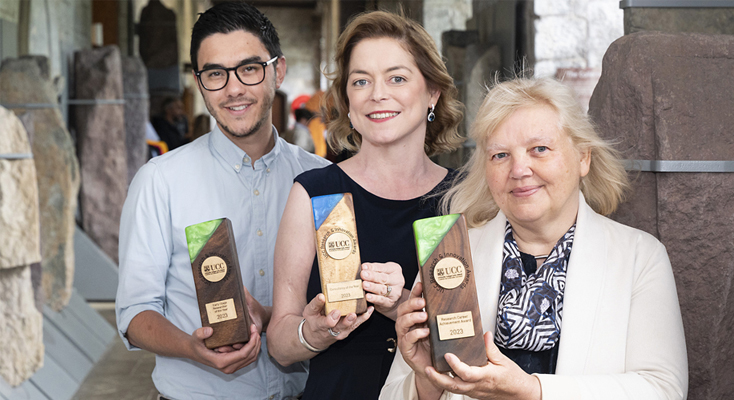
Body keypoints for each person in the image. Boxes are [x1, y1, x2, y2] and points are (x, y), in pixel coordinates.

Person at [381, 78, 689, 400]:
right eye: (500, 155)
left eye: (539, 149)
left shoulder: (640, 257)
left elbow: (663, 389)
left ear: (583, 157)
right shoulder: (448, 256)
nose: (519, 169)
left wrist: (532, 391)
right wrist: (428, 379)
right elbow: (391, 395)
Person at [115, 3, 328, 399]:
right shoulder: (160, 181)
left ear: (277, 71)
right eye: (215, 74)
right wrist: (189, 347)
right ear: (199, 82)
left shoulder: (320, 180)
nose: (233, 89)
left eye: (249, 69)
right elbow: (134, 312)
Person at [265, 11, 464, 400]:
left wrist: (403, 304)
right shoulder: (314, 192)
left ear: (433, 93)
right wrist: (314, 332)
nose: (377, 94)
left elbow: (476, 334)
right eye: (361, 81)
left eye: (397, 78)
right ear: (347, 101)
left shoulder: (463, 197)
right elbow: (279, 343)